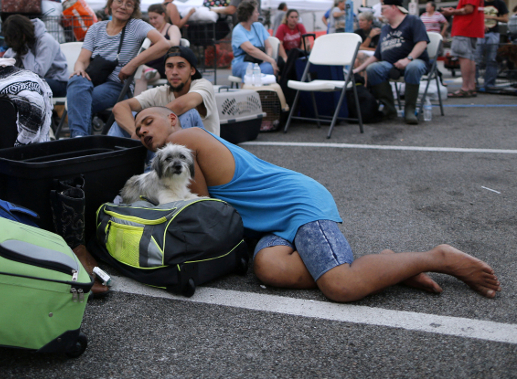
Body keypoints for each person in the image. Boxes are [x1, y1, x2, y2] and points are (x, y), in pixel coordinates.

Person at [133, 106, 501, 303]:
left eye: (148, 122)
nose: (144, 132)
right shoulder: (176, 149)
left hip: (297, 204)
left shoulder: (184, 140)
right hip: (271, 225)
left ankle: (438, 257)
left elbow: (200, 215)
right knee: (270, 269)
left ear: (172, 118)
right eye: (137, 131)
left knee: (341, 286)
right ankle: (390, 267)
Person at [66, 0, 171, 137]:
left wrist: (133, 64)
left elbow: (164, 44)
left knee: (78, 101)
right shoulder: (96, 28)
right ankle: (81, 139)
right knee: (77, 81)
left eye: (129, 4)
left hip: (116, 86)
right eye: (119, 1)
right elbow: (81, 61)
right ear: (111, 4)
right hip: (91, 81)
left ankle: (79, 139)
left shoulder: (136, 26)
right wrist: (78, 70)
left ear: (133, 9)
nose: (123, 6)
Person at [112, 45, 219, 138]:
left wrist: (147, 122)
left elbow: (182, 104)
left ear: (192, 70)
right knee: (126, 117)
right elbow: (120, 107)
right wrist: (135, 133)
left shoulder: (203, 84)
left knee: (188, 113)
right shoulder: (160, 92)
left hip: (200, 153)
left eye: (181, 66)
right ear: (165, 70)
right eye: (170, 66)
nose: (174, 72)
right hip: (164, 151)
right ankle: (112, 159)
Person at [353, 0, 429, 125]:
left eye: (383, 9)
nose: (381, 13)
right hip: (390, 65)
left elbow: (422, 43)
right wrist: (358, 69)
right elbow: (376, 55)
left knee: (413, 67)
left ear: (394, 8)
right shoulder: (385, 28)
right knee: (373, 68)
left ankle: (410, 109)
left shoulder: (413, 21)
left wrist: (408, 59)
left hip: (414, 61)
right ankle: (389, 108)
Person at [441, 0, 485, 97]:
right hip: (472, 27)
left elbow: (468, 9)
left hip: (464, 27)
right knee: (470, 58)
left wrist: (452, 12)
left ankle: (465, 88)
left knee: (464, 57)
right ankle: (471, 87)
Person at [2, 14, 68, 98]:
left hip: (57, 82)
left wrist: (24, 52)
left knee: (28, 85)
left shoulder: (46, 41)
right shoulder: (19, 43)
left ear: (22, 36)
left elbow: (37, 73)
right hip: (33, 81)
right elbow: (7, 59)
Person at [135, 3, 182, 94]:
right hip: (150, 64)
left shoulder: (172, 28)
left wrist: (159, 44)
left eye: (155, 18)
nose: (152, 21)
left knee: (141, 76)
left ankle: (137, 106)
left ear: (163, 15)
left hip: (164, 65)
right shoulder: (152, 31)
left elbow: (175, 43)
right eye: (151, 18)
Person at [231, 0, 281, 79]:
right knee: (250, 69)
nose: (258, 14)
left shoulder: (259, 26)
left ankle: (264, 90)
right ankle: (248, 90)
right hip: (242, 63)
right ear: (249, 15)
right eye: (256, 12)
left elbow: (269, 47)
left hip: (260, 61)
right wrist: (271, 60)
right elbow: (250, 50)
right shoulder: (238, 30)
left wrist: (267, 58)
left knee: (268, 68)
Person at [477, 0, 509, 91]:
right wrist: (481, 23)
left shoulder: (500, 3)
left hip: (493, 32)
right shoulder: (480, 2)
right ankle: (474, 84)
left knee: (491, 59)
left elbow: (506, 19)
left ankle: (489, 84)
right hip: (479, 33)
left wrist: (491, 17)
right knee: (476, 59)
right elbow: (473, 17)